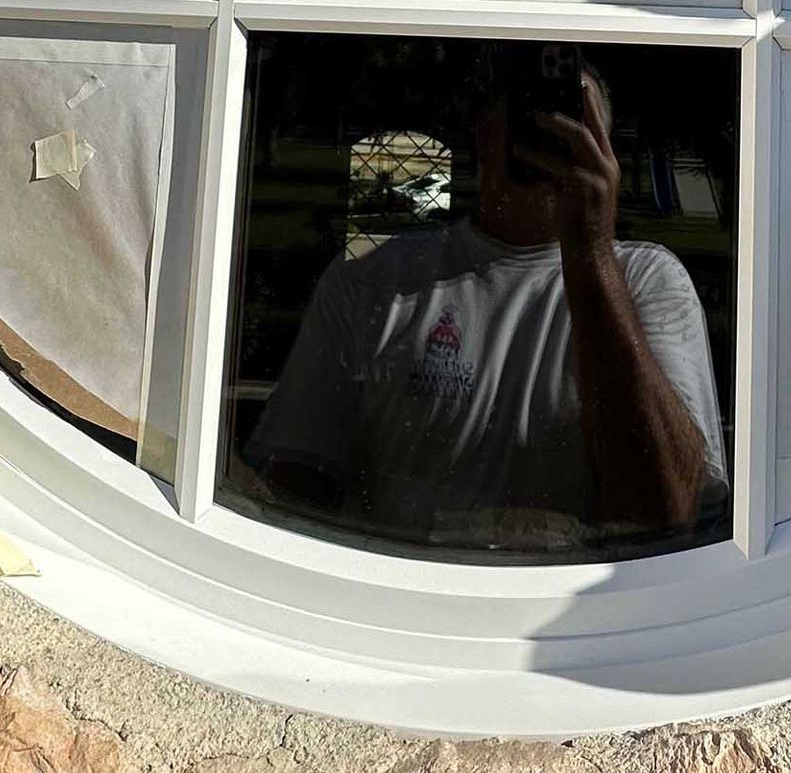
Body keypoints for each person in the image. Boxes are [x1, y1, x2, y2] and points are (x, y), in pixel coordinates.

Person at [243, 59, 728, 552]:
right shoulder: (371, 280)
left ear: (606, 153)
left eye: (572, 123)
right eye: (529, 119)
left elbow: (668, 513)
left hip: (590, 597)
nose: (549, 137)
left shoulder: (648, 281)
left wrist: (590, 248)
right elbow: (298, 494)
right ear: (484, 136)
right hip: (402, 590)